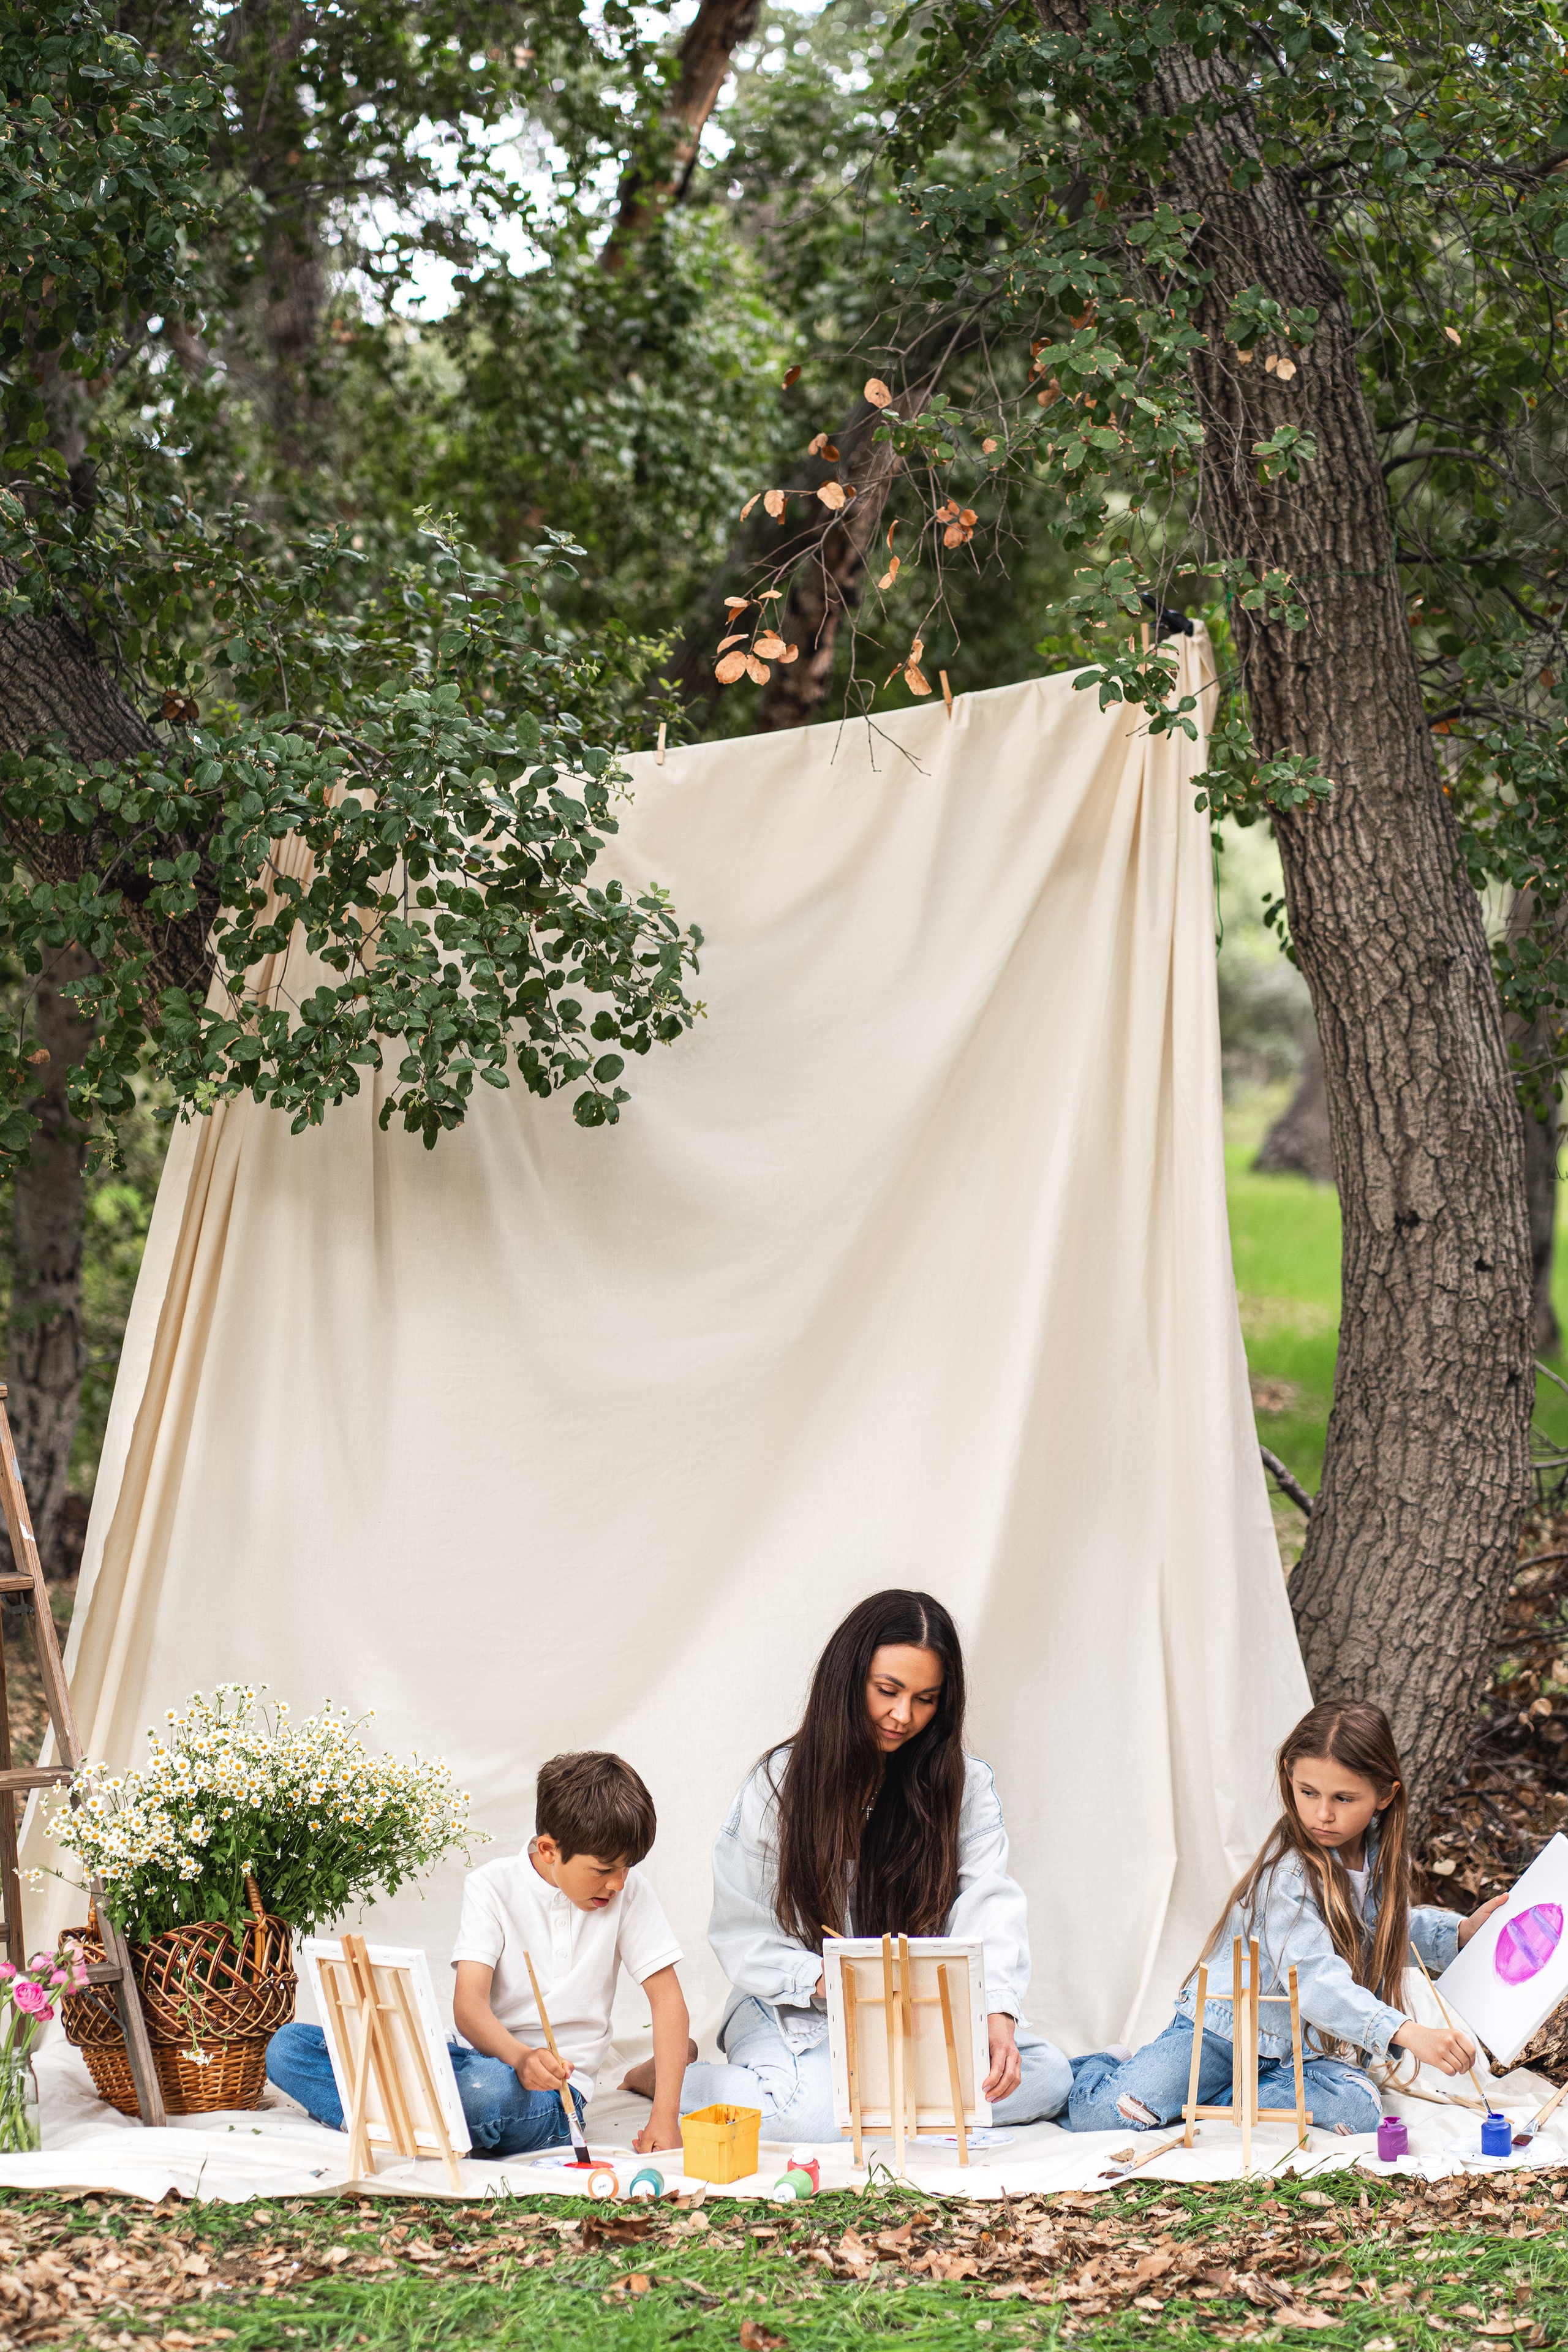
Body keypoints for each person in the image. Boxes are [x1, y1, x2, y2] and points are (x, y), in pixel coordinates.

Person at [632, 1589, 1071, 2140]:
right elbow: (742, 1931)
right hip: (791, 2003)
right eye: (887, 1691)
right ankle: (675, 2077)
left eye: (926, 1698)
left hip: (911, 2014)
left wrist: (998, 2013)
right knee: (803, 2114)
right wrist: (827, 1979)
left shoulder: (966, 1783)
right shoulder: (778, 1786)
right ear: (849, 1678)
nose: (903, 1716)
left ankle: (870, 2097)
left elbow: (990, 1903)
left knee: (1048, 2075)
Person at [1066, 1699, 1507, 2135]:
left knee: (1358, 2113)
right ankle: (1112, 2066)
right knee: (1107, 2115)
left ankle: (1208, 2097)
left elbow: (1385, 1928)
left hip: (1306, 2050)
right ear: (1290, 1779)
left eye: (1344, 1798)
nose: (1323, 1814)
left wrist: (1461, 1933)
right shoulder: (1289, 1875)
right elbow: (1313, 1980)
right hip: (1224, 2033)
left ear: (1385, 1796)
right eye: (1308, 1792)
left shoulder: (1377, 1855)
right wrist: (1408, 2032)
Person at [267, 1750, 693, 2157]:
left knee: (486, 2093)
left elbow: (668, 2001)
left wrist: (665, 2118)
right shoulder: (490, 1887)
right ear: (549, 1850)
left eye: (627, 1868)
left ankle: (395, 2116)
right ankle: (421, 2115)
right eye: (604, 1870)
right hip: (470, 2059)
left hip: (553, 2093)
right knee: (288, 2047)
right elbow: (468, 2009)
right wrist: (520, 2057)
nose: (618, 1883)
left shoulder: (629, 1893)